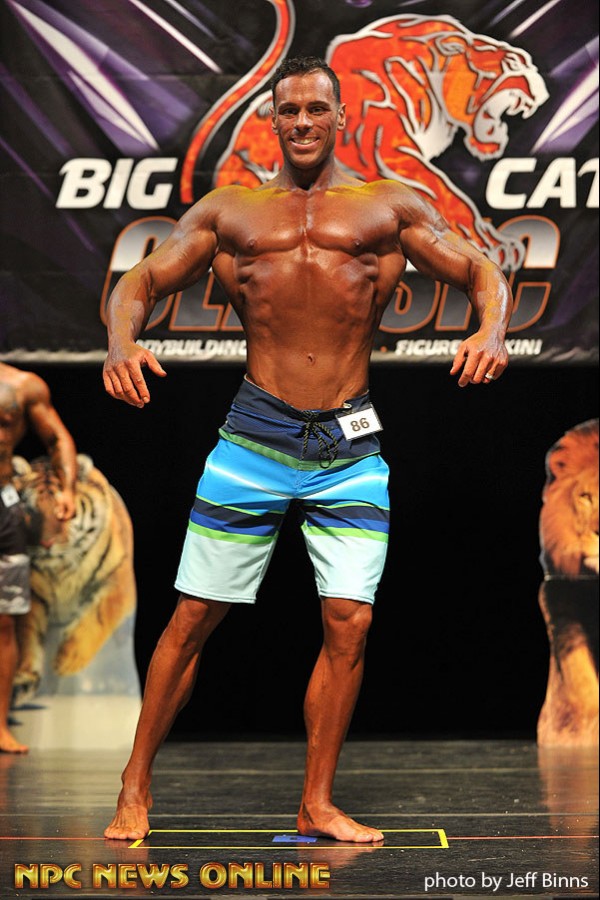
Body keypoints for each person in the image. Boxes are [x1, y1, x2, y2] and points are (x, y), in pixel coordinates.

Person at [102, 56, 513, 843]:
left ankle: (316, 802)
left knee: (350, 623)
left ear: (340, 116)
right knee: (194, 616)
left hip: (350, 446)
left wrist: (491, 329)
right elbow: (140, 281)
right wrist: (121, 343)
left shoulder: (387, 206)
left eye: (315, 109)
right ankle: (135, 781)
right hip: (254, 438)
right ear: (272, 119)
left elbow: (478, 267)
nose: (301, 122)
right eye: (288, 110)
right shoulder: (231, 212)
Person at [0, 363, 77, 753]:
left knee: (5, 622)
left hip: (3, 504)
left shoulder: (23, 386)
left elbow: (58, 438)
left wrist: (68, 489)